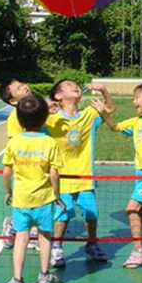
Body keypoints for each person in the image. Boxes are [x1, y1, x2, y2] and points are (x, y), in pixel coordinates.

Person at [92, 82, 142, 268]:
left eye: (137, 98)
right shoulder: (136, 121)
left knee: (131, 209)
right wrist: (103, 112)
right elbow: (115, 127)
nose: (134, 102)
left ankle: (138, 250)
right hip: (140, 171)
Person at [1, 94, 66, 283]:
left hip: (21, 199)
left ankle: (17, 282)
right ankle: (45, 277)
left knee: (21, 238)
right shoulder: (49, 142)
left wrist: (8, 191)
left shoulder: (14, 142)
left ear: (19, 120)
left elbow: (6, 172)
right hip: (44, 199)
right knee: (45, 236)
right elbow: (54, 174)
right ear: (45, 117)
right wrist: (57, 195)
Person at [45, 79, 116, 267]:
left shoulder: (88, 115)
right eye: (69, 85)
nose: (75, 86)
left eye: (76, 84)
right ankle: (57, 247)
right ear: (58, 96)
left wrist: (104, 90)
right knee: (63, 213)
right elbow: (27, 119)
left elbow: (109, 109)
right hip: (62, 178)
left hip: (85, 177)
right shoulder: (51, 118)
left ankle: (92, 244)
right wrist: (45, 110)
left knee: (92, 212)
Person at [0, 77, 44, 250]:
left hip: (42, 162)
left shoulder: (39, 108)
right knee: (28, 202)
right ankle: (13, 224)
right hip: (25, 166)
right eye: (18, 88)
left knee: (42, 200)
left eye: (22, 84)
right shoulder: (14, 117)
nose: (24, 87)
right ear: (13, 101)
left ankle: (33, 232)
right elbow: (15, 143)